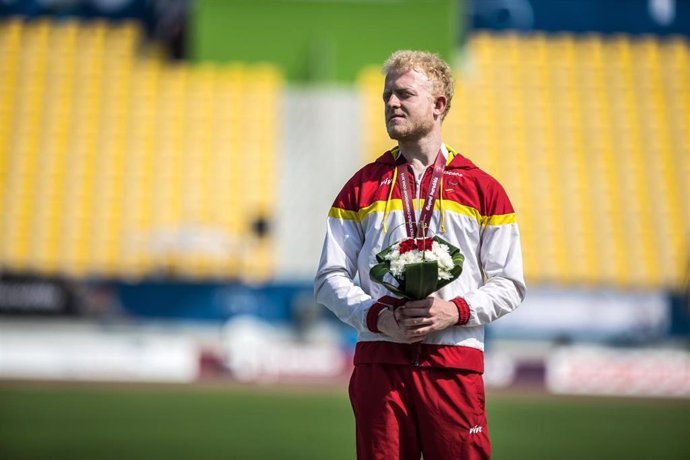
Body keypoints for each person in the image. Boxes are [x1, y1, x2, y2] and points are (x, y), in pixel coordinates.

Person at [314, 50, 526, 460]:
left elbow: (510, 283)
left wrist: (456, 311)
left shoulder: (484, 190)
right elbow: (328, 278)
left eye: (404, 94)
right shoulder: (361, 187)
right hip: (380, 363)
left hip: (454, 364)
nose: (392, 102)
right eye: (387, 95)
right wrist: (377, 316)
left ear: (438, 104)